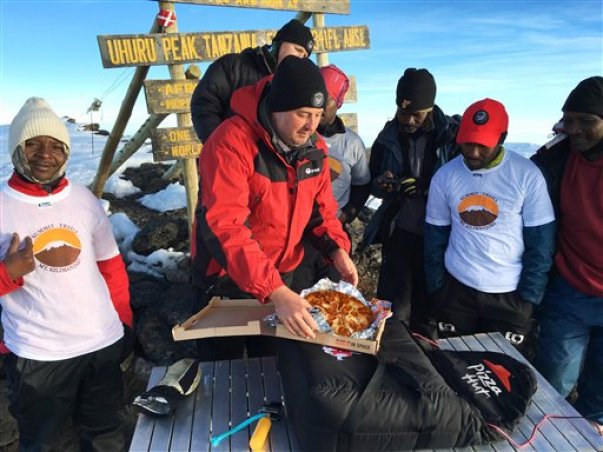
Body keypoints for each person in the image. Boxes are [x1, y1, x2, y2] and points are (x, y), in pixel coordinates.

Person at [192, 56, 357, 359]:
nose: (311, 125)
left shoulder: (315, 151)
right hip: (227, 283)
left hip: (282, 277)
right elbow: (224, 226)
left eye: (318, 115)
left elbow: (322, 212)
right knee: (221, 370)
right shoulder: (230, 143)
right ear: (277, 107)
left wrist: (336, 249)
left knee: (270, 366)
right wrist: (274, 290)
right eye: (302, 113)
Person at [0, 97, 132, 450]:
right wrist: (8, 272)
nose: (46, 154)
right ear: (16, 149)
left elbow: (111, 267)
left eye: (57, 145)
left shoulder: (84, 199)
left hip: (100, 345)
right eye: (33, 144)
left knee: (105, 438)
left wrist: (124, 325)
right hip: (38, 355)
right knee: (42, 443)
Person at [424, 98, 556, 353]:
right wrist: (438, 288)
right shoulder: (446, 175)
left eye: (482, 145)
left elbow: (541, 243)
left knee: (507, 374)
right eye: (467, 142)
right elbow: (434, 236)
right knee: (455, 366)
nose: (473, 152)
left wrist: (529, 299)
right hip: (457, 292)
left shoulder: (526, 175)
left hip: (510, 296)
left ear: (502, 137)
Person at [532, 76, 603, 434]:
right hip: (570, 289)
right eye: (568, 119)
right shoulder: (556, 157)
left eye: (586, 121)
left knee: (599, 403)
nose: (574, 129)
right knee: (550, 389)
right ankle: (544, 438)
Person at [363, 68, 458, 334]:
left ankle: (427, 365)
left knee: (430, 311)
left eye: (417, 113)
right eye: (403, 112)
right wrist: (383, 184)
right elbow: (373, 182)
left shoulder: (452, 136)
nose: (409, 119)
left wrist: (427, 188)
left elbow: (464, 184)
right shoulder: (387, 136)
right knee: (392, 310)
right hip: (400, 232)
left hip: (440, 236)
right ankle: (389, 361)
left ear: (430, 107)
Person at [290, 64, 370, 291]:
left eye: (327, 100)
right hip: (299, 235)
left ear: (339, 103)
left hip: (334, 231)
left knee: (334, 296)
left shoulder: (351, 143)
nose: (320, 106)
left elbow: (362, 185)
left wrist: (346, 216)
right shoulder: (299, 136)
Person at [191, 19, 314, 143]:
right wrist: (220, 146)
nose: (300, 58)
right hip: (229, 154)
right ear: (279, 44)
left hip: (266, 160)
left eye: (305, 56)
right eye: (298, 50)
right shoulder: (233, 66)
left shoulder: (293, 86)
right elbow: (204, 104)